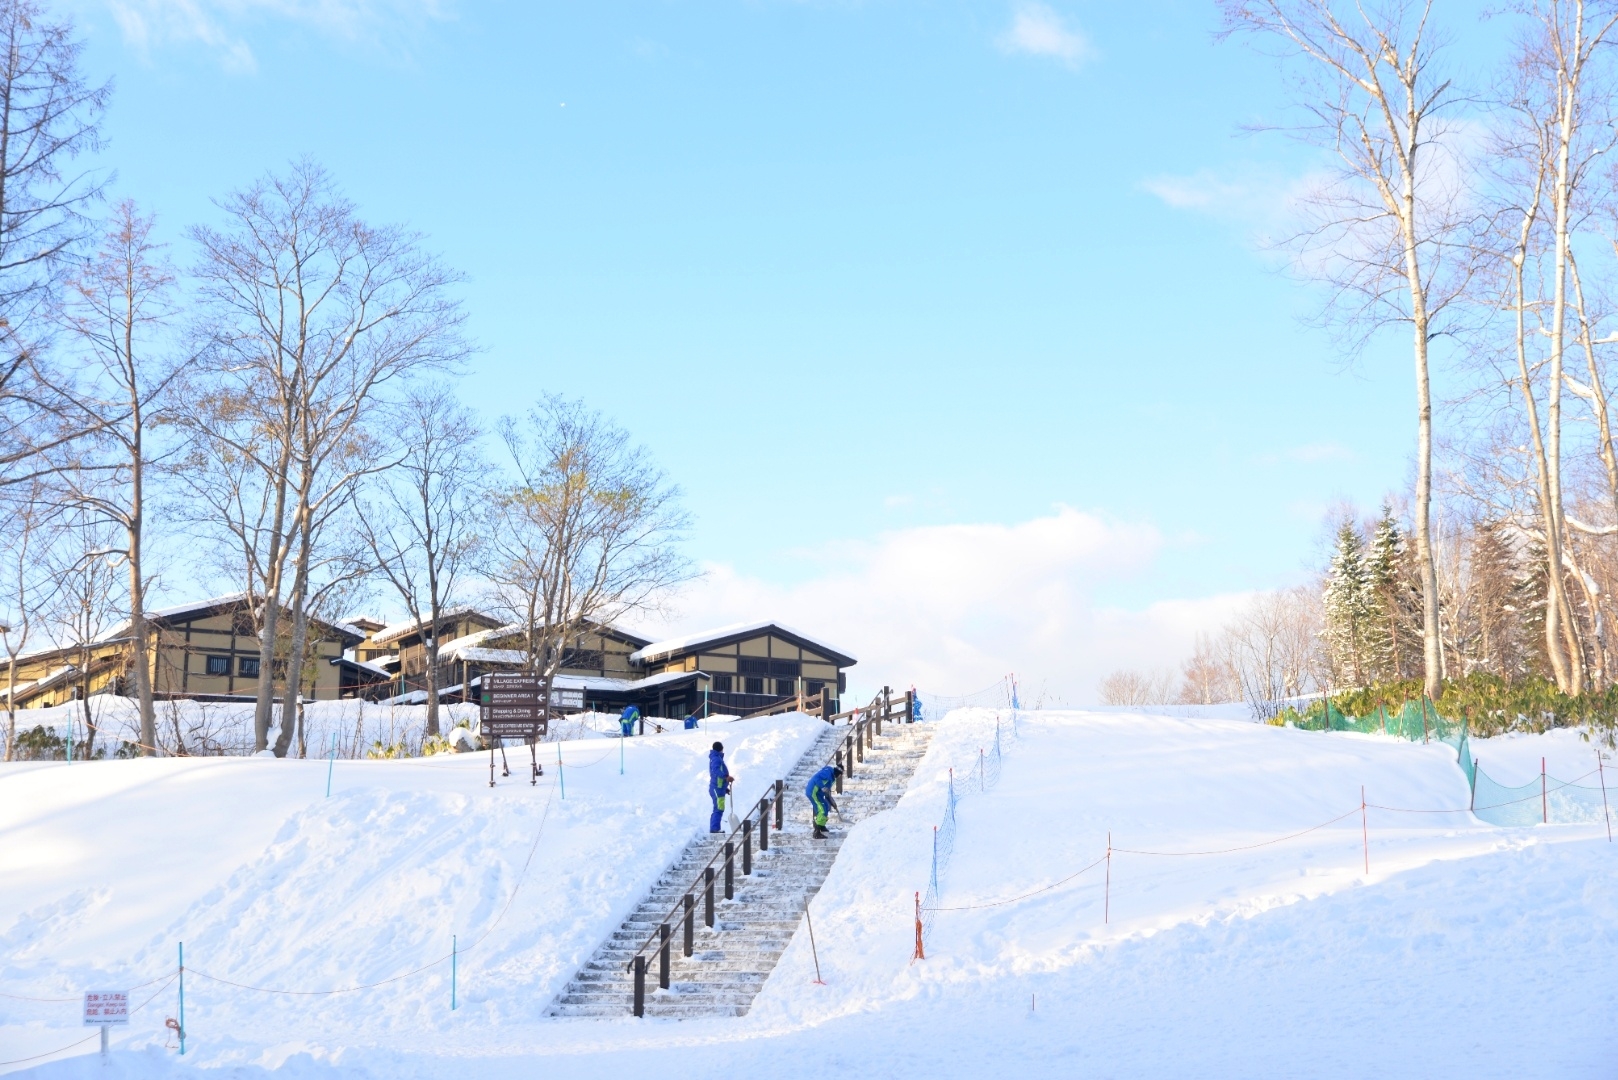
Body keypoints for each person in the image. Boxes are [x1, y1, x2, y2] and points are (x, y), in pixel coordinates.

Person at [805, 763, 841, 839]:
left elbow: (827, 793)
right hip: (813, 792)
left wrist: (833, 804)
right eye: (840, 775)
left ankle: (821, 826)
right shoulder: (828, 772)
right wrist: (823, 787)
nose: (839, 777)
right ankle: (817, 832)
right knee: (822, 810)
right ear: (837, 773)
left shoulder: (832, 778)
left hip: (819, 794)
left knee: (826, 806)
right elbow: (816, 778)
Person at [708, 741, 734, 833]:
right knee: (718, 808)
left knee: (719, 808)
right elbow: (715, 771)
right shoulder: (716, 759)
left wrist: (725, 788)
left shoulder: (716, 758)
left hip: (719, 788)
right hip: (717, 788)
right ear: (721, 749)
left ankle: (715, 828)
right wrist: (726, 777)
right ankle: (714, 828)